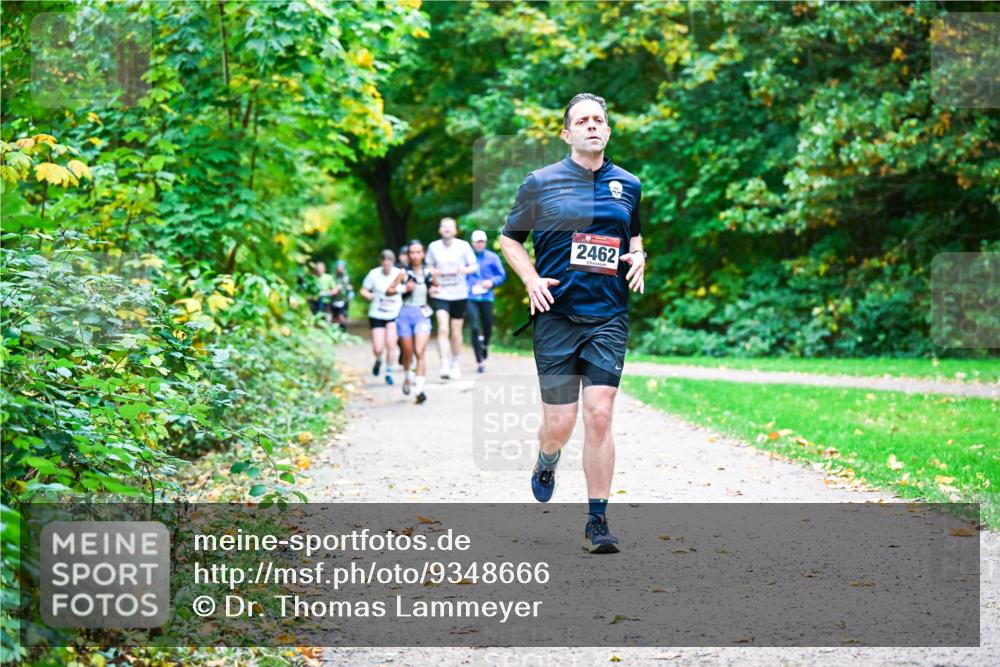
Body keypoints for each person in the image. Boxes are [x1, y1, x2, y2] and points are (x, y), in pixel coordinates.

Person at [498, 93, 646, 554]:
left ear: (608, 129)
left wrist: (639, 254)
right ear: (567, 134)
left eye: (599, 119)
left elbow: (634, 233)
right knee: (560, 424)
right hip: (556, 317)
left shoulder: (629, 184)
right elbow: (509, 239)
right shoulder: (540, 183)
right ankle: (547, 457)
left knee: (600, 415)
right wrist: (530, 279)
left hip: (607, 315)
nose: (592, 126)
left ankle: (597, 521)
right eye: (581, 121)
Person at [426, 217, 478, 380]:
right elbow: (428, 267)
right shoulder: (433, 247)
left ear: (455, 230)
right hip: (441, 293)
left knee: (456, 333)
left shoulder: (463, 246)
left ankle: (455, 363)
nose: (447, 229)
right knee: (442, 328)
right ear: (440, 230)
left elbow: (474, 265)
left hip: (459, 294)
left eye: (450, 227)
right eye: (444, 226)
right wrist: (432, 276)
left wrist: (464, 269)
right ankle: (444, 364)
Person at [386, 240, 437, 404]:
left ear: (423, 254)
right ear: (408, 255)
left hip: (422, 313)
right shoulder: (403, 273)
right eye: (412, 252)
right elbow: (389, 291)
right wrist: (404, 289)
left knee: (419, 351)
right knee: (407, 352)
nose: (415, 255)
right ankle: (408, 375)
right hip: (405, 315)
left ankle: (420, 390)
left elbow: (436, 287)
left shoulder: (429, 272)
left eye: (418, 252)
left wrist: (434, 290)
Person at [361, 250, 405, 385]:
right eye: (384, 265)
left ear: (392, 263)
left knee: (391, 344)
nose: (387, 268)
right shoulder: (374, 274)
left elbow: (408, 288)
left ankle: (389, 372)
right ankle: (379, 359)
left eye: (389, 265)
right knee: (378, 347)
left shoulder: (399, 274)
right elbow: (363, 290)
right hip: (377, 314)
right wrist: (369, 296)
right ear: (381, 263)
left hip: (394, 313)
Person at [466, 229, 507, 373]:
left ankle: (484, 345)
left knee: (488, 327)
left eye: (482, 242)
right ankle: (479, 361)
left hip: (487, 297)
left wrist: (492, 282)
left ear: (485, 242)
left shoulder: (493, 257)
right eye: (477, 242)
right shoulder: (466, 258)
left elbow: (502, 275)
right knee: (475, 327)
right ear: (472, 243)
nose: (479, 244)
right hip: (470, 297)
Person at [330, 259, 354, 332]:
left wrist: (350, 295)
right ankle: (335, 333)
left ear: (344, 268)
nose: (340, 269)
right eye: (338, 267)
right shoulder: (332, 277)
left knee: (342, 316)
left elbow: (351, 289)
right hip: (334, 300)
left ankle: (343, 331)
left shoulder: (348, 278)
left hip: (344, 300)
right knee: (334, 318)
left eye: (341, 267)